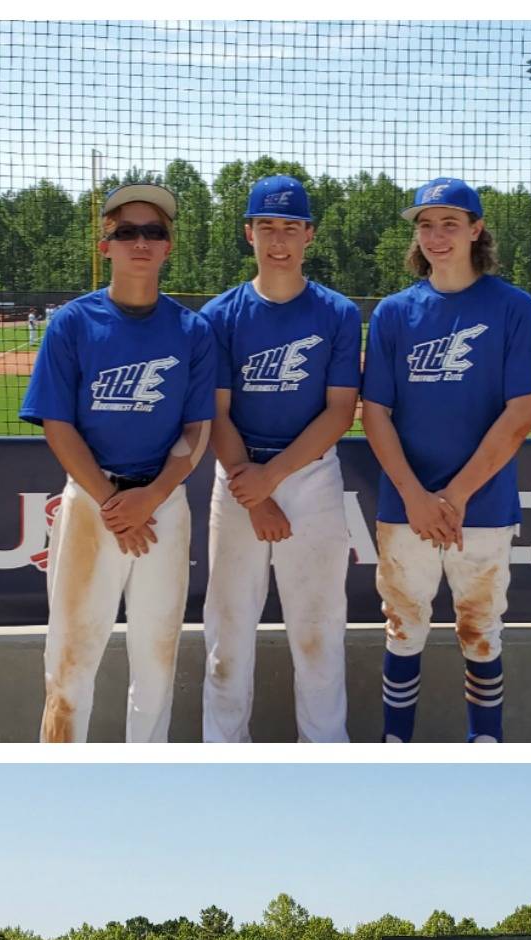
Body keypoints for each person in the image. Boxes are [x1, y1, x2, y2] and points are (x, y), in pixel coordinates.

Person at [20, 182, 216, 743]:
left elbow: (196, 429)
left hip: (163, 506)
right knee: (70, 661)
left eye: (153, 232)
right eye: (125, 231)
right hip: (91, 505)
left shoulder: (192, 330)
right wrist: (111, 502)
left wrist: (148, 499)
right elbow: (58, 424)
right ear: (105, 245)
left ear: (168, 246)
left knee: (157, 660)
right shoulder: (74, 324)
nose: (140, 242)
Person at [362, 177, 531, 743]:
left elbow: (520, 415)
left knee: (481, 629)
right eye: (425, 224)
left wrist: (454, 497)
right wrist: (418, 497)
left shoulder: (512, 307)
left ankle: (484, 748)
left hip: (481, 505)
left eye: (449, 224)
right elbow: (374, 413)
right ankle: (396, 745)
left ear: (475, 230)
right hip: (405, 506)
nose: (436, 236)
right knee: (403, 627)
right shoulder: (394, 313)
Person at [198, 175, 362, 743]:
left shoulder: (338, 313)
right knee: (227, 636)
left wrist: (273, 479)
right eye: (266, 226)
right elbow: (215, 413)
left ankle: (324, 753)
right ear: (248, 233)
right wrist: (257, 489)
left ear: (309, 235)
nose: (278, 240)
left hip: (310, 477)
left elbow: (341, 411)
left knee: (318, 630)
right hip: (238, 478)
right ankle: (223, 755)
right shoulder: (219, 315)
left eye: (291, 227)